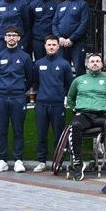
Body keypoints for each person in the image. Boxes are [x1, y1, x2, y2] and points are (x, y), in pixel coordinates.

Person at [61, 53, 106, 179]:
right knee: (75, 125)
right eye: (92, 61)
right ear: (87, 65)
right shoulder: (78, 80)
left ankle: (101, 145)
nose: (95, 63)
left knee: (105, 125)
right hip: (83, 114)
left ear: (102, 64)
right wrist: (74, 109)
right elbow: (71, 98)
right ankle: (78, 161)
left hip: (100, 115)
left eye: (97, 61)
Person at [0, 28, 35, 172]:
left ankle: (18, 160)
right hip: (1, 97)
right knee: (1, 129)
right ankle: (2, 159)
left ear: (18, 38)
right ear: (4, 38)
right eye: (8, 35)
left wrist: (20, 89)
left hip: (18, 97)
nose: (11, 38)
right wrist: (3, 88)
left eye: (14, 35)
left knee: (18, 129)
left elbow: (30, 78)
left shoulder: (25, 57)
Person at [32, 35, 72, 171]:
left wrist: (64, 99)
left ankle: (58, 161)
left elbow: (69, 85)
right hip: (41, 104)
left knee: (59, 135)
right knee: (41, 134)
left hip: (57, 104)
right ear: (44, 46)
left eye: (54, 45)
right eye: (49, 45)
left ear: (58, 46)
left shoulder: (64, 64)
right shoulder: (38, 64)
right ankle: (41, 161)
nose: (51, 47)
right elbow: (35, 83)